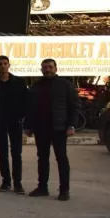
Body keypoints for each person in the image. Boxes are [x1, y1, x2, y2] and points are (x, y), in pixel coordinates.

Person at [24, 58, 80, 201]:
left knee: (61, 159)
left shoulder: (65, 85)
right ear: (41, 69)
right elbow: (30, 108)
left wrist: (71, 125)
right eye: (45, 67)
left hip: (59, 128)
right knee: (42, 159)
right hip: (40, 128)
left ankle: (64, 190)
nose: (47, 70)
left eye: (50, 67)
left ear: (56, 68)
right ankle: (42, 187)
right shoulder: (36, 86)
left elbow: (74, 107)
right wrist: (28, 126)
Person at [0, 55, 28, 193]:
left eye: (5, 63)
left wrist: (22, 117)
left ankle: (18, 183)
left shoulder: (19, 82)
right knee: (2, 153)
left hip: (15, 122)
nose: (3, 66)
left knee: (16, 153)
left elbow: (26, 100)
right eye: (0, 64)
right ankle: (6, 182)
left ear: (9, 65)